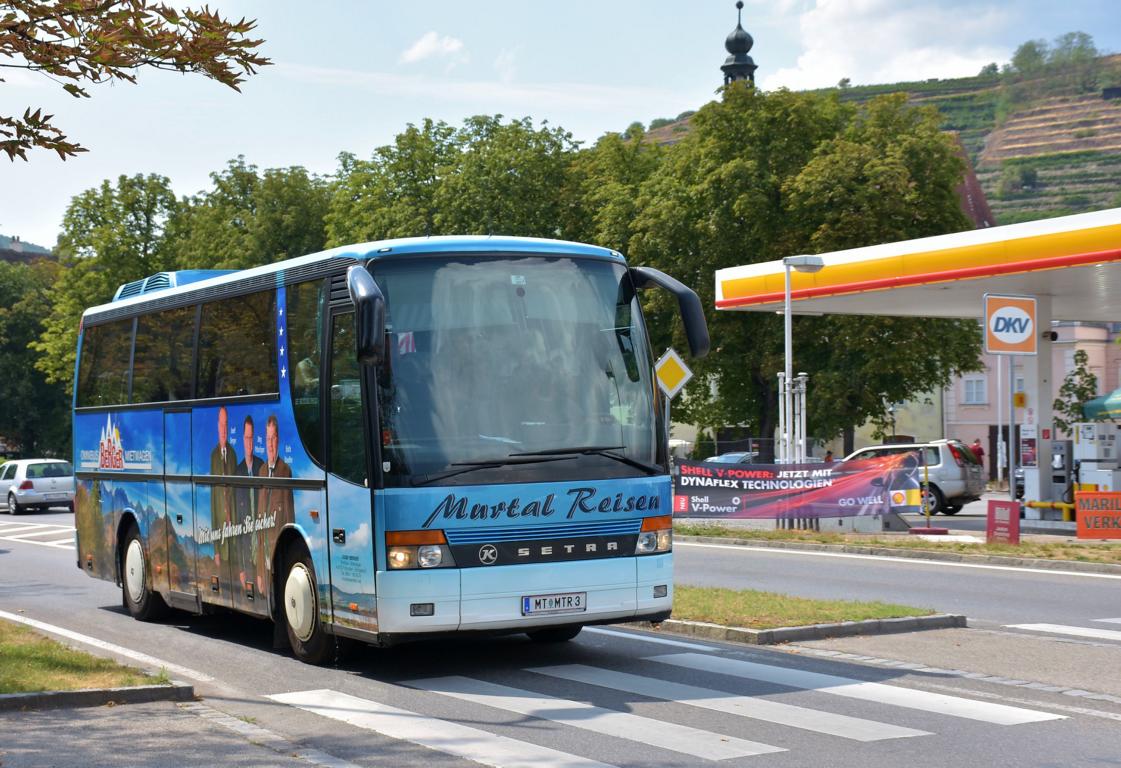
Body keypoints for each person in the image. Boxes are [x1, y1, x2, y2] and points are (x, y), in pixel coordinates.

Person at [256, 414, 294, 597]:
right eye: (267, 439)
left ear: (278, 440)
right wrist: (258, 572)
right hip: (263, 556)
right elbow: (258, 521)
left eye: (273, 438)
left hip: (277, 553)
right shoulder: (261, 471)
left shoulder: (285, 471)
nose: (270, 444)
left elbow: (289, 518)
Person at [235, 414, 265, 595]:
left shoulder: (261, 467)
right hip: (247, 552)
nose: (249, 442)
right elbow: (237, 526)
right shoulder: (237, 472)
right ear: (242, 440)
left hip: (260, 551)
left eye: (251, 438)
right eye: (246, 438)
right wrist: (240, 568)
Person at [209, 406, 237, 569]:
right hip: (221, 539)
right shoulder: (213, 456)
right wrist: (216, 550)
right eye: (222, 425)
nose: (224, 429)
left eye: (226, 424)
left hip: (234, 535)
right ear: (217, 426)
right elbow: (214, 503)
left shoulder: (233, 455)